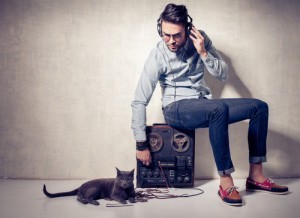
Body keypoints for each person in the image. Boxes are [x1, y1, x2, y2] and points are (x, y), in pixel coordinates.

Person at [131, 3, 288, 206]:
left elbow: (222, 74)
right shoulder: (158, 55)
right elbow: (139, 100)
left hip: (203, 104)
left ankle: (256, 176)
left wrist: (204, 53)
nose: (170, 41)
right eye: (165, 34)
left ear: (187, 29)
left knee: (259, 107)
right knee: (217, 108)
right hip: (175, 109)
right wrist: (141, 143)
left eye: (176, 35)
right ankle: (225, 182)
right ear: (160, 28)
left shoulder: (201, 40)